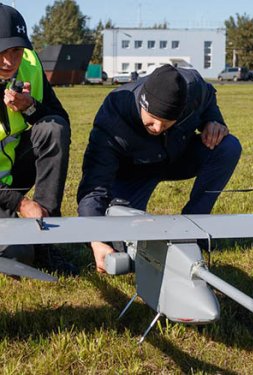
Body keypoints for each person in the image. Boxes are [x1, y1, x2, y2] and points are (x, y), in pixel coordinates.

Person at [77, 64, 242, 273]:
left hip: (177, 156)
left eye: (166, 123)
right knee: (121, 247)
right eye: (152, 121)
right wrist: (96, 238)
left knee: (228, 146)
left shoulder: (192, 86)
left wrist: (213, 120)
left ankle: (192, 226)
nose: (157, 129)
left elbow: (208, 98)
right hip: (135, 171)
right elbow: (93, 186)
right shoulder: (113, 116)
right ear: (142, 104)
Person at [0, 4, 75, 274]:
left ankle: (46, 237)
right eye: (1, 52)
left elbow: (60, 119)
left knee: (52, 128)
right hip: (5, 191)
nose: (10, 61)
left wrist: (30, 106)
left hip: (13, 174)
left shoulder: (30, 63)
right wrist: (19, 203)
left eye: (16, 51)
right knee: (17, 256)